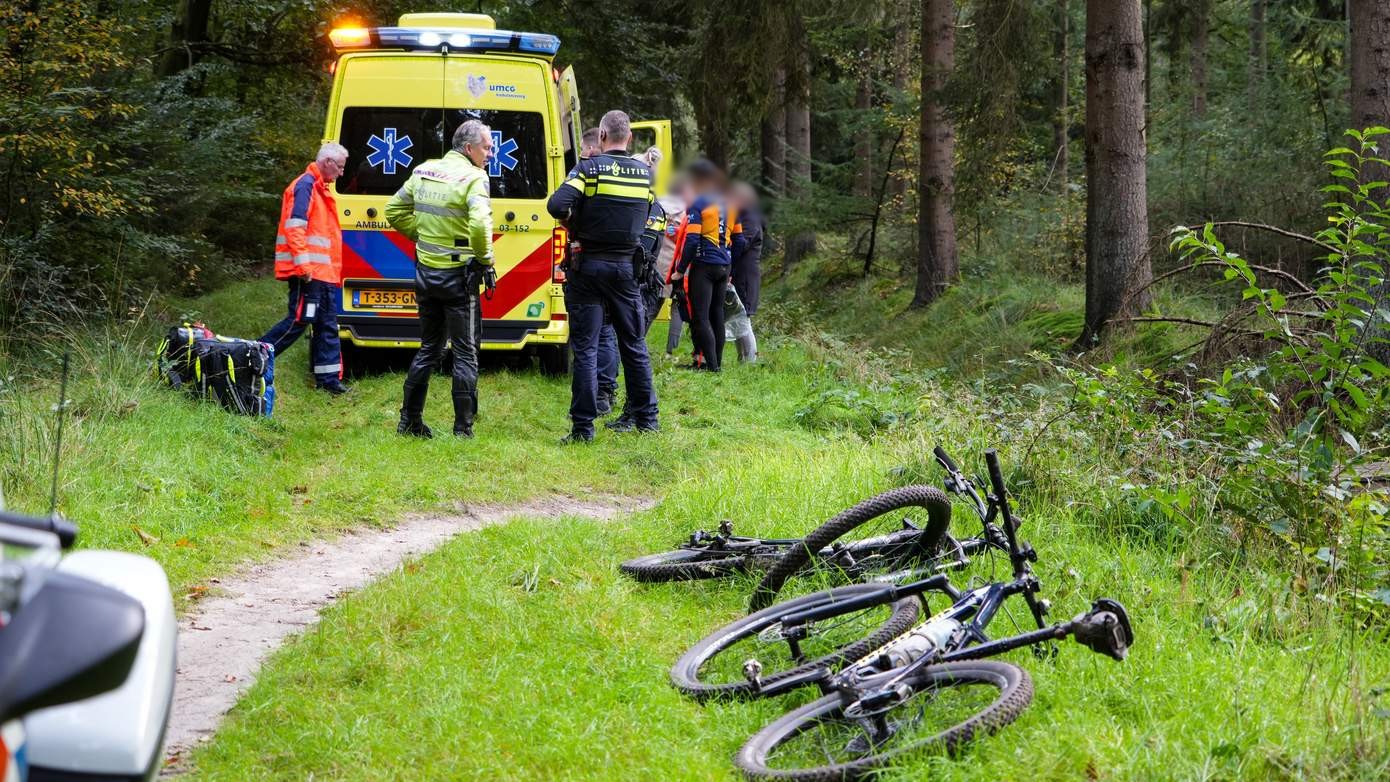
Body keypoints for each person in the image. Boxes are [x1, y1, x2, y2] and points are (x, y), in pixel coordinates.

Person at [547, 110, 659, 443]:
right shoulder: (645, 176)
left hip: (588, 266)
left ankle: (583, 429)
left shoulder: (588, 169)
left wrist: (575, 223)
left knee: (585, 348)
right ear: (630, 139)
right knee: (634, 345)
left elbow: (556, 205)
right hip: (626, 269)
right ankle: (647, 421)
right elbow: (651, 211)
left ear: (602, 138)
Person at [385, 119, 495, 438]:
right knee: (465, 351)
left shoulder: (423, 170)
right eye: (486, 147)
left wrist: (421, 237)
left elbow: (394, 210)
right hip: (459, 278)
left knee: (430, 347)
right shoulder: (474, 178)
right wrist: (486, 259)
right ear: (469, 147)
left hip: (426, 273)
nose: (490, 153)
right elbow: (478, 226)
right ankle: (463, 429)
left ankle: (409, 421)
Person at [258, 143, 352, 395]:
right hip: (310, 274)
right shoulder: (306, 186)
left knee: (327, 325)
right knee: (298, 321)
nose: (342, 173)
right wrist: (304, 267)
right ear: (328, 162)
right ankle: (254, 357)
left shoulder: (320, 188)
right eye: (340, 167)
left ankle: (329, 381)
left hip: (324, 275)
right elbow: (295, 228)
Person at [671, 159, 735, 372]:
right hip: (725, 265)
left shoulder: (699, 203)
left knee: (700, 316)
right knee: (717, 314)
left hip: (705, 265)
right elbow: (740, 239)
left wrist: (680, 271)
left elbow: (691, 240)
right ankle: (717, 362)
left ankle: (712, 367)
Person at [729, 181, 764, 362]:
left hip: (746, 275)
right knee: (736, 317)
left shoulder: (750, 218)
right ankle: (742, 357)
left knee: (744, 318)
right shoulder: (743, 216)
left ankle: (750, 360)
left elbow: (741, 243)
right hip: (739, 273)